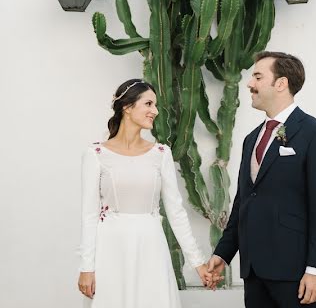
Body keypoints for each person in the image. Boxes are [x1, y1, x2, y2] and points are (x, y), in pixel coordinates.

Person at [206, 51, 316, 307]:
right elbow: (243, 203)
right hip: (254, 270)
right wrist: (223, 254)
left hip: (295, 273)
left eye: (257, 76)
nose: (249, 83)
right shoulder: (251, 139)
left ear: (281, 84)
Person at [77, 78, 219, 306]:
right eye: (149, 104)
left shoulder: (161, 153)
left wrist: (198, 262)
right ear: (127, 107)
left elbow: (176, 212)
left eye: (155, 105)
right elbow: (89, 216)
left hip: (151, 246)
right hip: (111, 249)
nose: (155, 111)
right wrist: (86, 267)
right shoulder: (95, 154)